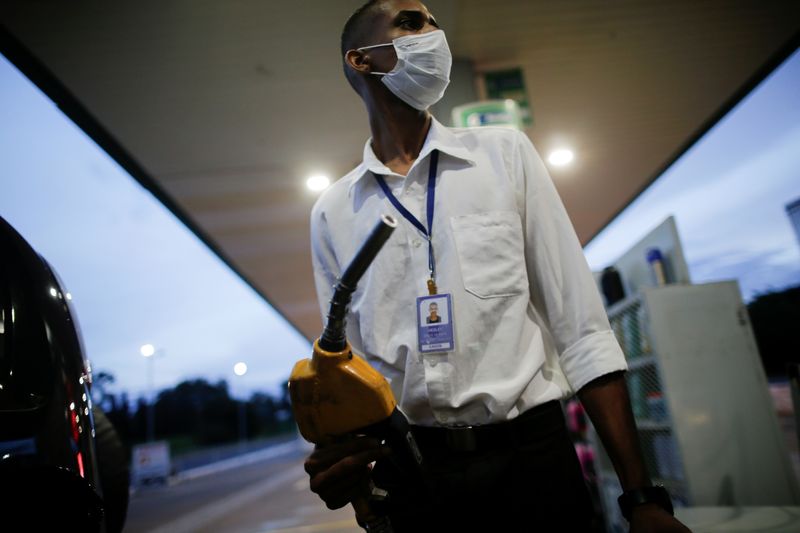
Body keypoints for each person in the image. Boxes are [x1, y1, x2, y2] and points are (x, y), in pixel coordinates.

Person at [304, 1, 691, 531]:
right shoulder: (333, 211)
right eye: (411, 23)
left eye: (433, 23)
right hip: (414, 475)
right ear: (362, 59)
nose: (433, 34)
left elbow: (581, 329)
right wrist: (347, 467)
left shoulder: (503, 154)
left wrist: (641, 497)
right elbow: (348, 370)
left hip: (532, 460)